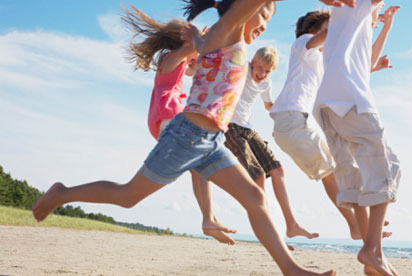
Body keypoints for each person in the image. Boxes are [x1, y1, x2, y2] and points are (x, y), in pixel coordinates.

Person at [33, 0, 344, 275]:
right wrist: (200, 36)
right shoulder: (228, 30)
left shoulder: (219, 37)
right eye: (263, 14)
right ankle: (61, 194)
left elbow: (201, 40)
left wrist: (195, 36)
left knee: (255, 198)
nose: (265, 24)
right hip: (186, 137)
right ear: (240, 7)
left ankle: (290, 270)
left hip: (211, 142)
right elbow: (219, 29)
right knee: (128, 196)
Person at [121, 5, 237, 245]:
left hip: (165, 120)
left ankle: (209, 218)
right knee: (198, 162)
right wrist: (200, 39)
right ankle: (209, 217)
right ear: (182, 43)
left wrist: (201, 45)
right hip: (169, 116)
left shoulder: (180, 63)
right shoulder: (170, 59)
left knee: (199, 165)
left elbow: (195, 63)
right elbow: (191, 53)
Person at [313, 1, 401, 276]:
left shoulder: (348, 24)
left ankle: (375, 257)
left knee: (358, 180)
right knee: (388, 169)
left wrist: (385, 26)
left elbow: (369, 64)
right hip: (351, 103)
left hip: (329, 108)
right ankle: (372, 250)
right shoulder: (355, 8)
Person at [271, 9, 363, 241]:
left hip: (295, 122)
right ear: (314, 30)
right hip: (292, 121)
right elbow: (328, 37)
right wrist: (349, 19)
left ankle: (360, 221)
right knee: (330, 172)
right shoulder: (303, 43)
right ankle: (356, 225)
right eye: (327, 27)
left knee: (337, 168)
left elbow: (343, 69)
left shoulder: (318, 62)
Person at [224, 46, 319, 242]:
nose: (262, 73)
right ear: (252, 63)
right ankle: (269, 232)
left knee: (277, 170)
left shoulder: (265, 84)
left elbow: (269, 106)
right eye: (259, 68)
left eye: (267, 71)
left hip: (247, 128)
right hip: (230, 126)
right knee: (258, 175)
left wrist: (289, 109)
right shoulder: (243, 70)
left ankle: (291, 224)